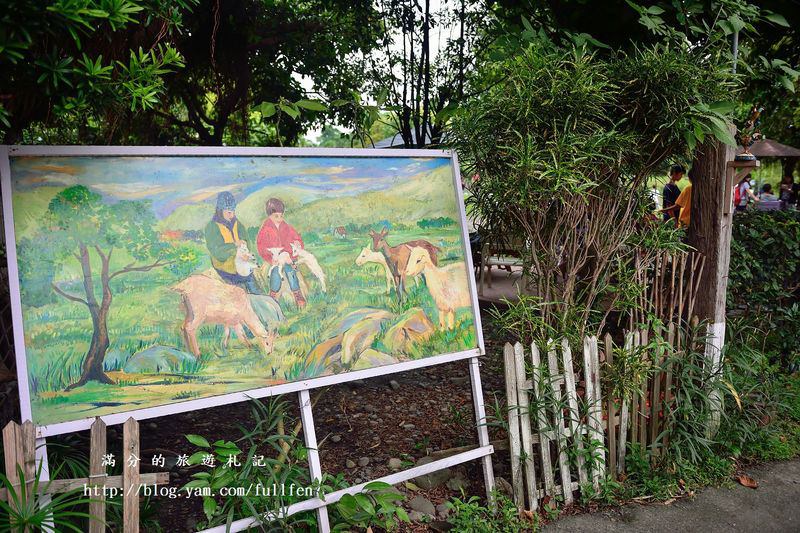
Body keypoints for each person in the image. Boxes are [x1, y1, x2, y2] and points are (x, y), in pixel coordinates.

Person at [205, 191, 262, 294]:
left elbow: (246, 240)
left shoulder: (236, 223)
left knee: (254, 288)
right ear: (220, 211)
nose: (232, 215)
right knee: (239, 292)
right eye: (229, 212)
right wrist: (235, 246)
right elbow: (217, 252)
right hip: (225, 266)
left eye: (233, 211)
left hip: (241, 262)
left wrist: (245, 250)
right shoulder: (212, 227)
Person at [256, 198, 306, 308]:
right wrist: (270, 258)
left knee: (290, 271)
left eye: (281, 216)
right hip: (274, 259)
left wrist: (297, 245)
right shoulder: (265, 229)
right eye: (276, 216)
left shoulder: (287, 227)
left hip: (287, 257)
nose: (279, 219)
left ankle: (297, 294)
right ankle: (273, 296)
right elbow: (261, 246)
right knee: (275, 273)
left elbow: (297, 240)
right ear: (269, 215)